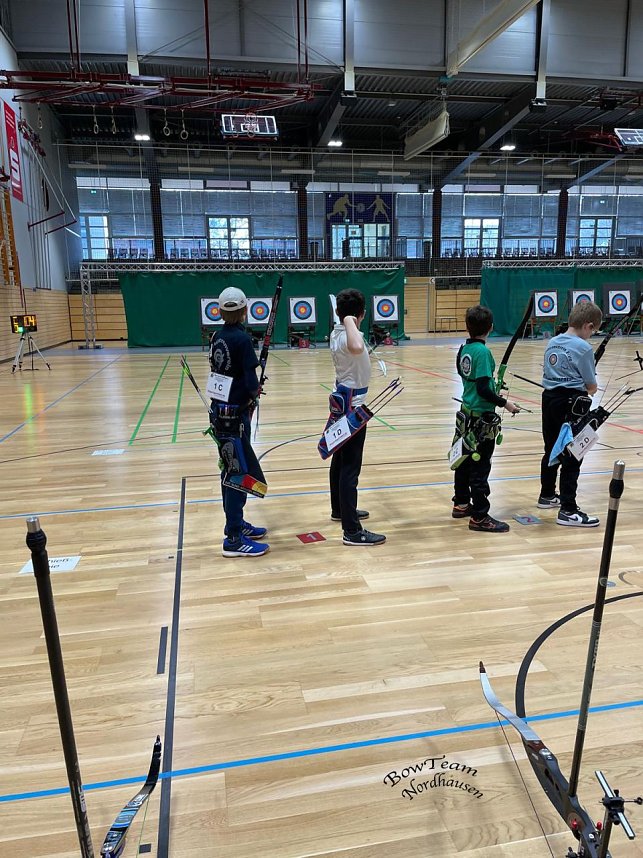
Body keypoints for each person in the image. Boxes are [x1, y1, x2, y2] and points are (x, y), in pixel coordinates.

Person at [209, 286, 269, 557]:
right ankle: (233, 538)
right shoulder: (243, 341)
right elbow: (249, 381)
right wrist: (256, 390)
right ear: (245, 311)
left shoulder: (216, 336)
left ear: (220, 312)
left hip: (220, 413)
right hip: (235, 417)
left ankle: (236, 524)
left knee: (231, 469)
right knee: (237, 473)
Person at [452, 305, 520, 533]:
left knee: (463, 461)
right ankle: (480, 516)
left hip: (466, 413)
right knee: (480, 467)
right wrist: (504, 403)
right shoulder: (482, 353)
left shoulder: (464, 349)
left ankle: (461, 504)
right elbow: (482, 388)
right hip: (480, 419)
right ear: (490, 328)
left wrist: (493, 389)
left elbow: (475, 383)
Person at [328, 289, 386, 546]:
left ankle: (341, 510)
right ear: (362, 314)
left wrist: (346, 319)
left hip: (345, 401)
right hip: (353, 407)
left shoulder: (337, 332)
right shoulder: (346, 335)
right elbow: (357, 346)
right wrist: (350, 319)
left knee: (341, 460)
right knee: (350, 467)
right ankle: (352, 531)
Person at [538, 300, 603, 527]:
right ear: (587, 325)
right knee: (573, 453)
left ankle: (547, 495)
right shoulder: (584, 348)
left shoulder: (552, 342)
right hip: (571, 406)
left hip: (549, 401)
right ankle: (568, 509)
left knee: (551, 448)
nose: (592, 335)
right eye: (593, 330)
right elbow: (591, 386)